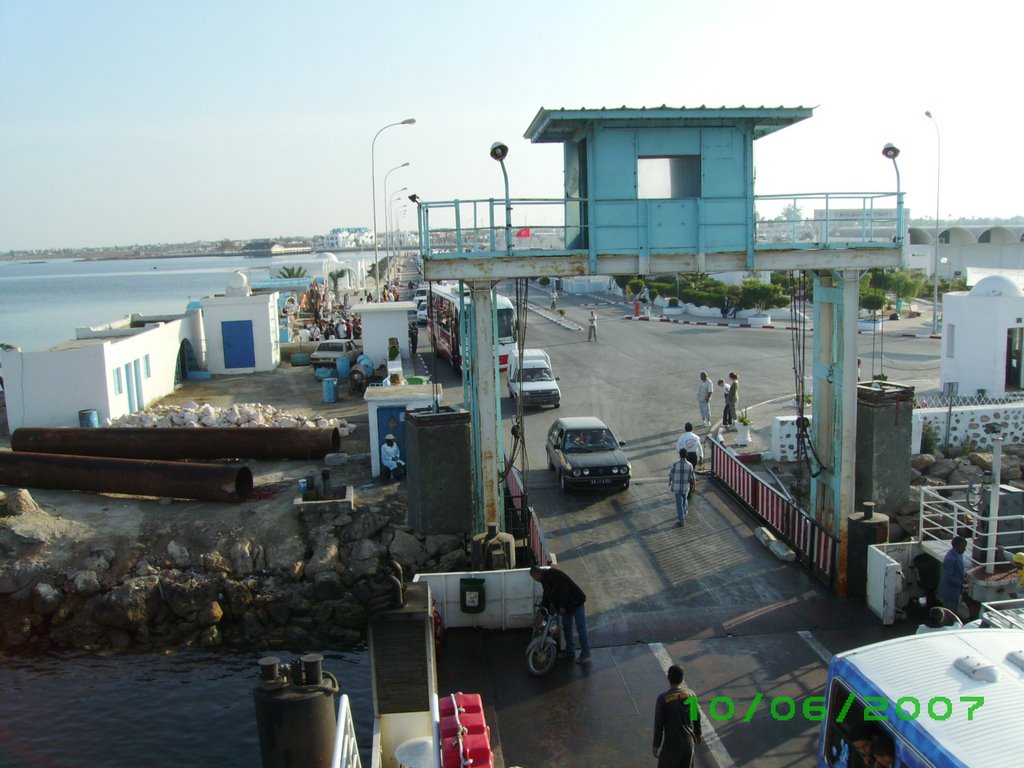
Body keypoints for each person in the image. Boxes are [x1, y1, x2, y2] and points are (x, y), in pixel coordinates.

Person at [529, 565, 591, 663]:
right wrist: (542, 610)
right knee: (566, 627)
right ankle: (570, 651)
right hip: (567, 606)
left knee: (580, 627)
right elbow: (547, 595)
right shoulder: (544, 580)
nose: (534, 580)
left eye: (534, 577)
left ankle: (586, 653)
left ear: (537, 574)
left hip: (576, 601)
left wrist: (562, 606)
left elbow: (564, 589)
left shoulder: (552, 575)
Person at [652, 664, 701, 768]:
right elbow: (695, 717)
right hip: (688, 744)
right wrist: (698, 734)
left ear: (668, 678)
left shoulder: (663, 699)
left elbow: (659, 725)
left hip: (671, 746)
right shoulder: (691, 694)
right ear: (682, 678)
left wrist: (656, 744)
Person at [939, 536, 967, 617]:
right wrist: (962, 583)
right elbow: (949, 578)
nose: (964, 549)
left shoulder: (957, 554)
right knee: (950, 615)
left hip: (954, 591)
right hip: (950, 592)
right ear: (956, 546)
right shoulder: (950, 559)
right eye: (962, 547)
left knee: (952, 612)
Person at [668, 449, 696, 528]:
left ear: (680, 455)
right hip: (685, 487)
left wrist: (670, 482)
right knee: (684, 500)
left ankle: (682, 521)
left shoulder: (676, 464)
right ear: (686, 455)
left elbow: (671, 474)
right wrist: (694, 486)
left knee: (679, 504)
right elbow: (693, 477)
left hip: (677, 487)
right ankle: (683, 512)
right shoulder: (690, 465)